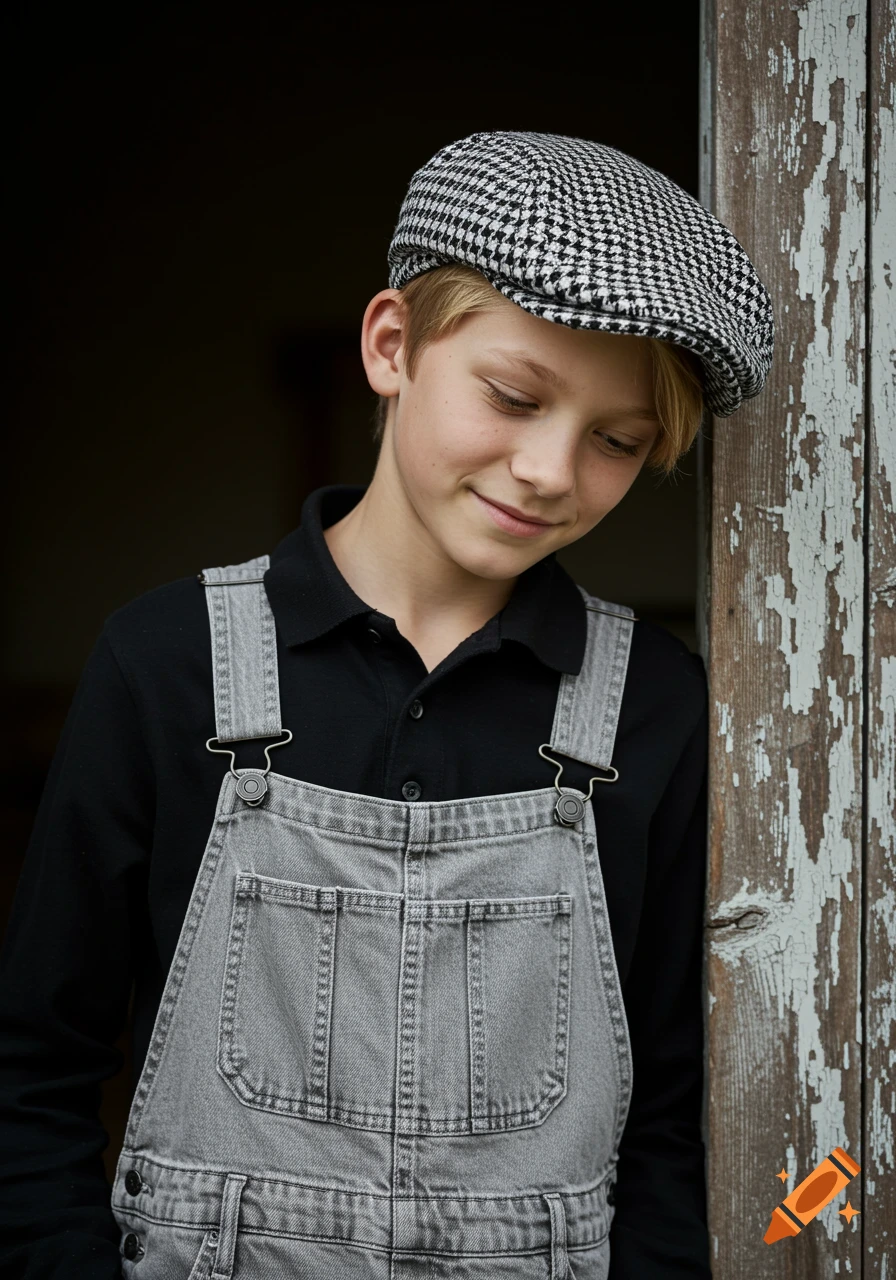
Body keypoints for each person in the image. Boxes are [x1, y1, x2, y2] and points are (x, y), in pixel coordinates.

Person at [0, 130, 774, 1278]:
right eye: (514, 396)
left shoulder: (651, 704)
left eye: (617, 441)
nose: (551, 470)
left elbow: (670, 1121)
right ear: (390, 344)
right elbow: (33, 1074)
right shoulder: (163, 661)